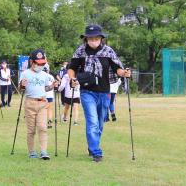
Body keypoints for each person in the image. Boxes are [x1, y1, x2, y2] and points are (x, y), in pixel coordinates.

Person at [68, 24, 131, 162]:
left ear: (101, 38)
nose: (93, 41)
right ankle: (96, 152)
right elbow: (71, 68)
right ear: (86, 39)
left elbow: (117, 69)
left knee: (100, 123)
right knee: (92, 122)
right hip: (87, 92)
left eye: (96, 38)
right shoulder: (80, 52)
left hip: (104, 92)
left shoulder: (108, 52)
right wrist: (72, 78)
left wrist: (124, 73)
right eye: (90, 38)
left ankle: (92, 146)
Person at [20, 49, 58, 160]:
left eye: (42, 63)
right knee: (31, 130)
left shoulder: (45, 75)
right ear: (32, 61)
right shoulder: (25, 73)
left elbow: (45, 88)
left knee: (42, 127)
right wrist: (22, 85)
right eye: (38, 63)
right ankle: (31, 152)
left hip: (42, 103)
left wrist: (52, 86)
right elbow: (21, 89)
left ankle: (43, 151)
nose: (40, 65)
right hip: (30, 103)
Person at [43, 63, 55, 129]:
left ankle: (44, 122)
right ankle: (50, 121)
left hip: (44, 95)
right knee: (50, 109)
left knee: (43, 109)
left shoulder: (41, 76)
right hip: (50, 95)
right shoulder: (51, 76)